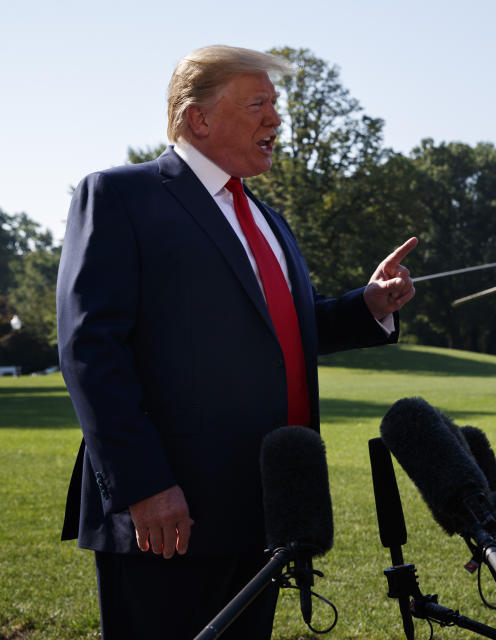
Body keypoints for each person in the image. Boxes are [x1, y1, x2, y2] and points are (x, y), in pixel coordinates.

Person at [56, 45, 417, 640]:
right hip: (170, 515)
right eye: (258, 104)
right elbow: (90, 349)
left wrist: (368, 306)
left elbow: (275, 334)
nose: (276, 119)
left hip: (265, 510)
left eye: (276, 104)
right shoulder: (122, 197)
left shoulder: (269, 220)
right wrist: (144, 484)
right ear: (198, 118)